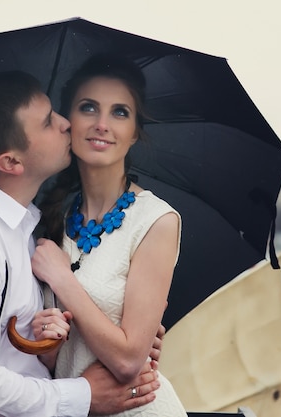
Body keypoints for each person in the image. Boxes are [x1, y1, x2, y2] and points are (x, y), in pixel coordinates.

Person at [0, 70, 162, 417]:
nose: (65, 123)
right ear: (11, 161)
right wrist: (83, 395)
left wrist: (115, 335)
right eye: (46, 123)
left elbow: (25, 349)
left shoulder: (24, 227)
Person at [31, 54, 187, 416]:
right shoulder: (51, 219)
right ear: (68, 120)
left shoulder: (155, 220)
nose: (102, 124)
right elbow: (56, 363)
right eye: (88, 108)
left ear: (135, 132)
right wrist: (47, 342)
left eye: (120, 112)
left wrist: (63, 280)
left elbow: (129, 360)